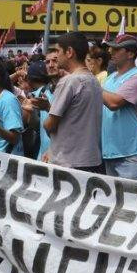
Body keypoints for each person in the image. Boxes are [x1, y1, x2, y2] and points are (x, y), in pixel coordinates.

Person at [38, 32, 103, 172]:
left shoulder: (69, 81)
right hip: (91, 159)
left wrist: (45, 118)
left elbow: (50, 124)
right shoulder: (94, 80)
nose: (57, 57)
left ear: (69, 52)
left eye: (59, 51)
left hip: (69, 163)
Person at [99, 33, 137, 180]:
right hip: (109, 151)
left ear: (130, 53)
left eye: (116, 50)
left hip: (131, 154)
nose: (111, 52)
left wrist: (92, 83)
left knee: (132, 200)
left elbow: (114, 103)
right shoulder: (109, 78)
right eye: (111, 49)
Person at [21, 62, 53, 160]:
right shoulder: (37, 95)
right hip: (45, 154)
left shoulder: (35, 96)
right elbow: (37, 126)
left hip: (53, 153)